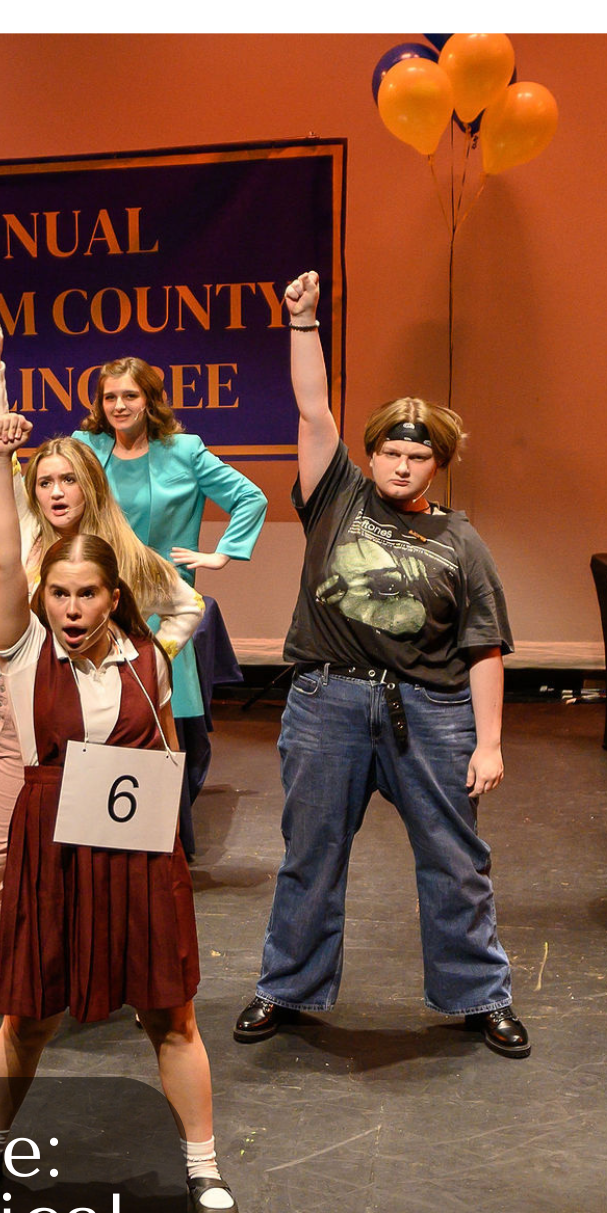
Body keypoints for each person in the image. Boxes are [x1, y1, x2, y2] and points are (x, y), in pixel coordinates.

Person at [0, 323, 236, 1213]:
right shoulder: (23, 632)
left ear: (114, 595)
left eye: (88, 596)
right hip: (48, 841)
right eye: (60, 596)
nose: (72, 609)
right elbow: (4, 535)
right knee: (27, 1018)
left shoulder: (149, 643)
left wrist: (172, 639)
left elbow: (189, 602)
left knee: (172, 1017)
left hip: (136, 846)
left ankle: (204, 1170)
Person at [234, 272, 526, 1058]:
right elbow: (310, 408)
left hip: (430, 713)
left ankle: (479, 995)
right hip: (327, 701)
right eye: (390, 452)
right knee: (310, 855)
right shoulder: (336, 497)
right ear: (369, 456)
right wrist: (303, 322)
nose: (401, 465)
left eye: (417, 456)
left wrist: (490, 742)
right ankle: (286, 987)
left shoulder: (461, 542)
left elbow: (485, 648)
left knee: (455, 859)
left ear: (439, 465)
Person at [0, 323, 203, 1021]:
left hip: (111, 733)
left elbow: (187, 605)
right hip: (29, 729)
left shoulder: (125, 554)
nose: (53, 490)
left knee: (111, 860)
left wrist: (152, 661)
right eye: (43, 481)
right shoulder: (23, 540)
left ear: (89, 484)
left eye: (66, 479)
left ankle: (122, 977)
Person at [72, 358, 266, 857]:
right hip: (96, 609)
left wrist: (222, 553)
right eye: (110, 397)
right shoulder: (86, 448)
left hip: (165, 610)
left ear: (150, 400)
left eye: (130, 397)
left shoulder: (185, 451)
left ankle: (164, 843)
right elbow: (46, 496)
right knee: (96, 725)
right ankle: (98, 839)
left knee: (167, 730)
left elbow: (250, 498)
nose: (119, 406)